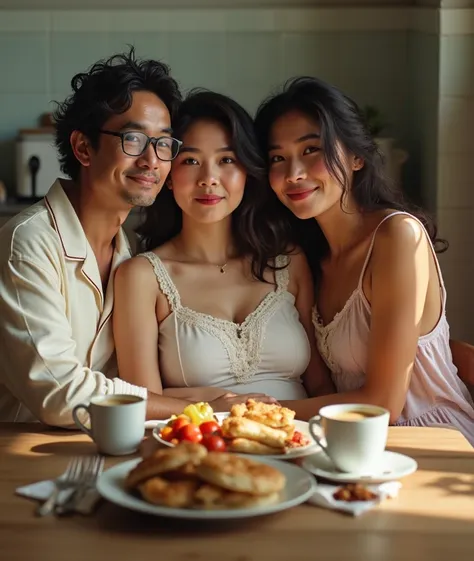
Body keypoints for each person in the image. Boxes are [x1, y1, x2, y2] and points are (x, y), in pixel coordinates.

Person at [0, 50, 240, 427]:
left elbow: (120, 387)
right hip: (20, 458)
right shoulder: (27, 245)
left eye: (163, 143)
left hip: (99, 452)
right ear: (83, 147)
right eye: (133, 139)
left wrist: (214, 397)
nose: (151, 160)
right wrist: (197, 409)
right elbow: (60, 394)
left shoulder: (130, 255)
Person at [254, 76, 474, 445]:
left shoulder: (397, 237)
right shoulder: (309, 257)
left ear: (356, 157)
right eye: (278, 158)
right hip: (352, 443)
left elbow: (382, 404)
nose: (293, 174)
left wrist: (258, 408)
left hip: (429, 440)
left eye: (311, 150)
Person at [113, 90, 334, 402]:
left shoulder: (288, 262)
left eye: (226, 160)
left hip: (295, 442)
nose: (209, 179)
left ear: (247, 171)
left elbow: (321, 386)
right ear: (169, 175)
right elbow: (141, 401)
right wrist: (221, 402)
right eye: (190, 160)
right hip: (199, 445)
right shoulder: (141, 276)